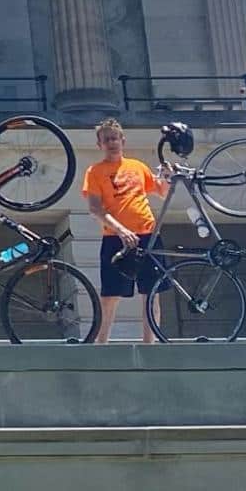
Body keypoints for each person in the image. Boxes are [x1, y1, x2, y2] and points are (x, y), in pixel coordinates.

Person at [81, 117, 169, 343]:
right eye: (106, 139)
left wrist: (167, 175)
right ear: (99, 144)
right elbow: (94, 208)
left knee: (151, 293)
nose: (111, 143)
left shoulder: (138, 166)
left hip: (148, 234)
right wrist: (120, 230)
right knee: (110, 295)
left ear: (123, 141)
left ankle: (150, 345)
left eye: (115, 138)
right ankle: (101, 345)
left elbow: (161, 191)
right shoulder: (95, 172)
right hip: (115, 238)